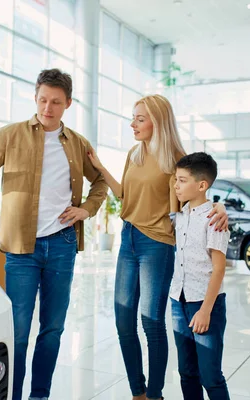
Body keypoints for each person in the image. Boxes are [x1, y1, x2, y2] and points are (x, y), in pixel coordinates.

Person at [0, 68, 108, 400]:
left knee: (52, 329)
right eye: (42, 100)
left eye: (55, 102)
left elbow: (101, 180)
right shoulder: (11, 135)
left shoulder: (78, 144)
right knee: (18, 332)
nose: (47, 108)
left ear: (68, 103)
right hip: (21, 248)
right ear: (35, 97)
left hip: (62, 244)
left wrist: (87, 209)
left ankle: (40, 395)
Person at [87, 95, 228, 400]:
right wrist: (99, 166)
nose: (133, 124)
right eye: (133, 117)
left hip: (158, 244)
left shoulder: (175, 157)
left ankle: (154, 394)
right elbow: (124, 193)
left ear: (158, 121)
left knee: (150, 321)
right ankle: (137, 392)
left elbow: (195, 191)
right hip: (129, 238)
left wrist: (221, 206)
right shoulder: (133, 154)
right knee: (123, 319)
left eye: (140, 118)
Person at [170, 152, 231, 400]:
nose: (176, 185)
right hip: (178, 302)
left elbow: (219, 268)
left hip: (205, 304)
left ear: (202, 185)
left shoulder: (215, 219)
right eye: (176, 179)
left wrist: (205, 310)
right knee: (186, 372)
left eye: (182, 180)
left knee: (210, 375)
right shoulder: (180, 214)